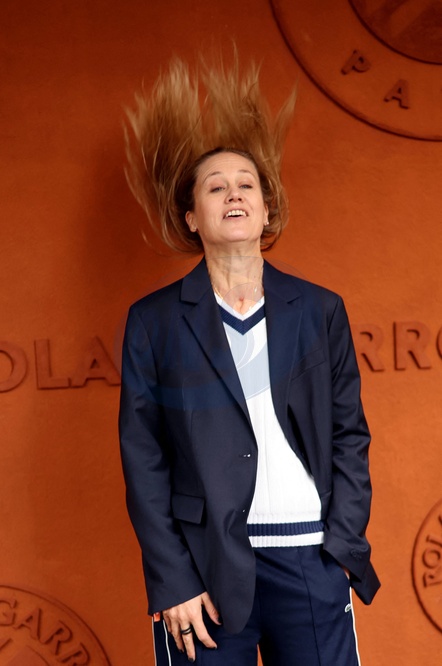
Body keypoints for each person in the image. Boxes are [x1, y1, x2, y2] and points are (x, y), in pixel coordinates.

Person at [119, 56, 380, 666]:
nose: (233, 193)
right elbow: (143, 458)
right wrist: (172, 580)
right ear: (192, 217)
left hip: (311, 562)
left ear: (266, 210)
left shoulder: (319, 310)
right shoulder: (154, 321)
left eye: (247, 185)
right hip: (203, 571)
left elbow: (349, 435)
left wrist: (341, 547)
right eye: (215, 187)